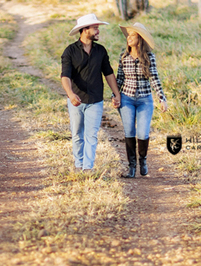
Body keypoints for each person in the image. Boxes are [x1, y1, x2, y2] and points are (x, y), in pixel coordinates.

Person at [61, 13, 121, 172]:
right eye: (95, 28)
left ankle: (88, 168)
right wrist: (70, 94)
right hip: (76, 100)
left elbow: (108, 73)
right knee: (77, 134)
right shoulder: (70, 51)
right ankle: (78, 164)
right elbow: (65, 76)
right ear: (84, 30)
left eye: (98, 28)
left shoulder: (100, 51)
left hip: (95, 99)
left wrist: (116, 94)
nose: (98, 31)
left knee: (92, 135)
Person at [116, 23, 167, 178]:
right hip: (127, 98)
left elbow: (154, 78)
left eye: (133, 35)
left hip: (145, 99)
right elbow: (119, 79)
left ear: (140, 39)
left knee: (143, 133)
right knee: (129, 132)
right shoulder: (123, 57)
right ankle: (131, 167)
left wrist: (162, 98)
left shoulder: (149, 57)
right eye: (128, 35)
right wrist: (114, 96)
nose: (129, 38)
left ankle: (142, 160)